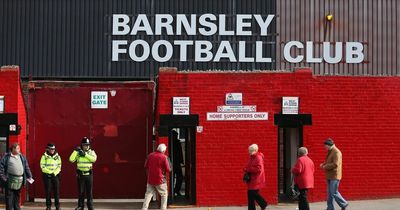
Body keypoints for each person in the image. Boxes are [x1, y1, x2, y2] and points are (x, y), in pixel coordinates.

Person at [0, 143, 33, 210]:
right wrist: (4, 178)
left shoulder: (22, 156)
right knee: (9, 198)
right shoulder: (6, 157)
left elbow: (26, 167)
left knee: (17, 197)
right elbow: (1, 168)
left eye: (19, 148)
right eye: (17, 148)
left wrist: (30, 176)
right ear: (13, 149)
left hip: (19, 180)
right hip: (9, 180)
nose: (19, 150)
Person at [320, 138, 349, 210]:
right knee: (330, 193)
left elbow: (335, 164)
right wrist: (323, 164)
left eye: (325, 146)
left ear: (329, 145)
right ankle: (330, 208)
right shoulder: (330, 151)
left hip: (335, 175)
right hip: (330, 175)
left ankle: (344, 203)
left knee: (334, 192)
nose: (324, 147)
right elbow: (329, 161)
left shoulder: (336, 152)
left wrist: (325, 166)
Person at [69, 137, 97, 210]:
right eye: (85, 145)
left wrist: (85, 154)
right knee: (81, 192)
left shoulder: (91, 152)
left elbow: (94, 159)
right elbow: (71, 160)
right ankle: (80, 206)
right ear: (82, 145)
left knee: (89, 192)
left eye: (88, 145)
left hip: (89, 175)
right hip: (80, 175)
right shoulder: (78, 153)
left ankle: (90, 206)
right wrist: (75, 151)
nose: (86, 146)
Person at [142, 143, 171, 210]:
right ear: (163, 151)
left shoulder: (150, 155)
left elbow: (145, 166)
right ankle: (163, 208)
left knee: (148, 194)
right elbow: (168, 169)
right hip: (160, 179)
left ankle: (144, 208)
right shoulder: (164, 157)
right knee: (164, 194)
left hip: (150, 179)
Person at [244, 144, 268, 210]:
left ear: (255, 150)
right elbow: (249, 165)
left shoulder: (258, 157)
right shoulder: (252, 157)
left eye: (251, 150)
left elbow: (259, 168)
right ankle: (252, 208)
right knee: (250, 194)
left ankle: (263, 203)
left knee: (252, 193)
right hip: (252, 179)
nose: (249, 152)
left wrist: (249, 169)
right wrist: (246, 168)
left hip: (257, 179)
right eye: (249, 150)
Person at [40, 143, 62, 210]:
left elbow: (59, 166)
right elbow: (42, 167)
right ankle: (48, 206)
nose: (52, 150)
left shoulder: (58, 156)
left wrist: (54, 173)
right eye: (51, 149)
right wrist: (50, 172)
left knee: (56, 192)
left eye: (53, 149)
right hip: (47, 176)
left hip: (55, 176)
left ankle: (57, 206)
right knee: (48, 192)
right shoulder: (44, 156)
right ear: (47, 149)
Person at [172, 130, 184, 196]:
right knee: (173, 177)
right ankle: (174, 191)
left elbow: (180, 152)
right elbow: (180, 152)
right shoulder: (173, 142)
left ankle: (176, 190)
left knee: (179, 177)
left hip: (176, 162)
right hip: (173, 163)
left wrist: (181, 161)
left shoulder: (177, 142)